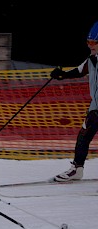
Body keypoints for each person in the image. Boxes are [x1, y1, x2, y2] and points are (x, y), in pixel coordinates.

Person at [50, 21, 98, 182]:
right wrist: (61, 74)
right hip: (95, 107)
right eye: (88, 42)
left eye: (94, 42)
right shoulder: (92, 59)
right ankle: (77, 169)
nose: (91, 46)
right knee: (84, 136)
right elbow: (79, 70)